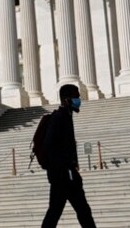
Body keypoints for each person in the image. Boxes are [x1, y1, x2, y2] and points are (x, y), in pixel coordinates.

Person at [41, 84, 97, 228]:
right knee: (57, 212)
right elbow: (49, 145)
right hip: (62, 176)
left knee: (82, 211)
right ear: (66, 100)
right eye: (76, 97)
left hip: (67, 175)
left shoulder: (66, 116)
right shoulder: (59, 117)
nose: (79, 99)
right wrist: (64, 169)